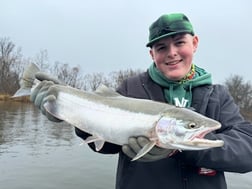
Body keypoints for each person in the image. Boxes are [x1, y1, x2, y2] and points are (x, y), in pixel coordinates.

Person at [31, 13, 252, 189]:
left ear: (194, 43)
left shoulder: (218, 95)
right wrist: (65, 108)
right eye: (161, 47)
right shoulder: (131, 88)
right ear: (152, 54)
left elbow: (246, 151)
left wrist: (181, 148)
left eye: (179, 42)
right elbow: (106, 145)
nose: (172, 53)